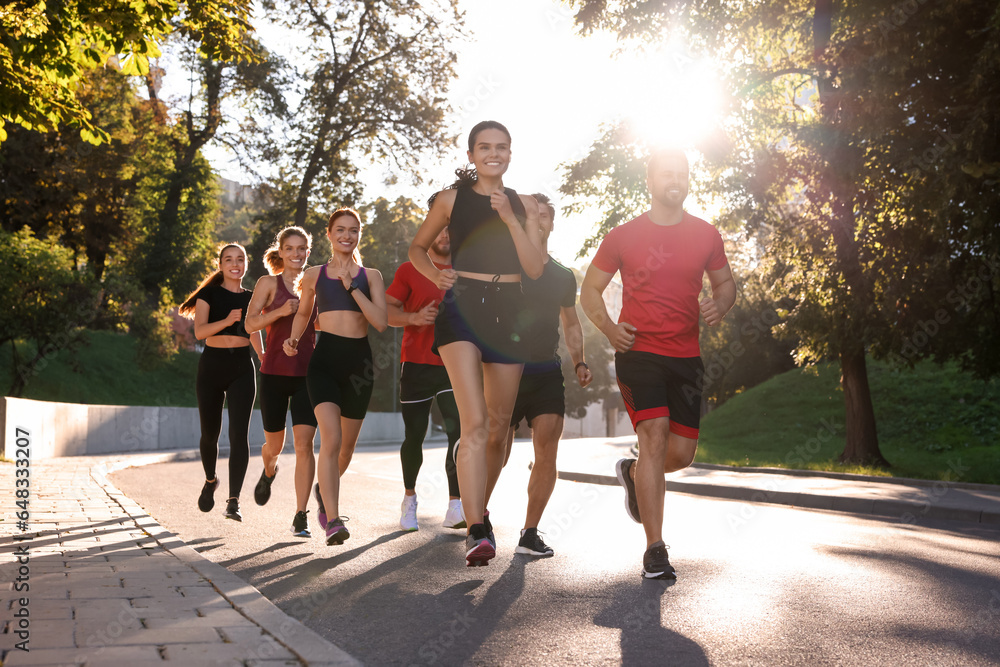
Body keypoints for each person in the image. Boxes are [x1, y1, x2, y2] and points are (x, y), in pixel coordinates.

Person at [580, 148, 736, 579]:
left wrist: (720, 304)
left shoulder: (706, 234)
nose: (677, 180)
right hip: (639, 353)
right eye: (668, 173)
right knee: (654, 435)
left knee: (680, 454)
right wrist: (610, 330)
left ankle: (633, 473)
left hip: (686, 357)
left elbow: (725, 284)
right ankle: (655, 549)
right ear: (650, 181)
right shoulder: (623, 235)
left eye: (683, 174)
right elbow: (590, 291)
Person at [409, 120, 543, 567]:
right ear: (471, 155)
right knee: (475, 422)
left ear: (510, 154)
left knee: (501, 425)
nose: (493, 153)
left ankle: (477, 505)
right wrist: (435, 274)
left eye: (501, 147)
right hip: (462, 307)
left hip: (510, 312)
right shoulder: (451, 200)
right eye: (484, 147)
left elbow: (535, 267)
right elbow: (417, 248)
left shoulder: (522, 203)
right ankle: (477, 530)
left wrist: (510, 218)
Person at [284, 208, 387, 546]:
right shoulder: (314, 275)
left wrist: (352, 288)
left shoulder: (371, 276)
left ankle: (322, 493)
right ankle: (334, 520)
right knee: (330, 439)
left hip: (360, 365)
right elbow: (303, 312)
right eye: (340, 230)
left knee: (345, 450)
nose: (347, 235)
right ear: (328, 234)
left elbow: (381, 323)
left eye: (353, 230)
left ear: (360, 234)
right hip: (324, 362)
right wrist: (295, 338)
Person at [504, 193, 593, 557]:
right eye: (532, 214)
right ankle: (478, 518)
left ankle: (529, 532)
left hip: (545, 370)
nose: (538, 220)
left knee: (547, 452)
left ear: (552, 223)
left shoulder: (561, 275)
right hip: (504, 368)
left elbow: (571, 323)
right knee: (499, 449)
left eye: (545, 215)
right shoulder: (509, 265)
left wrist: (580, 362)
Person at [386, 224, 464, 532]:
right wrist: (414, 318)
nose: (445, 236)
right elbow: (388, 313)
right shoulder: (409, 269)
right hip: (416, 362)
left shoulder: (464, 271)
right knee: (414, 435)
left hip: (453, 363)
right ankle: (409, 500)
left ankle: (456, 505)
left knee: (457, 434)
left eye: (450, 231)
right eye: (439, 231)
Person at [179, 243, 263, 522]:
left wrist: (264, 358)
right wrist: (227, 319)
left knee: (239, 434)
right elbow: (200, 331)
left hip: (242, 366)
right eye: (229, 259)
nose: (235, 264)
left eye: (240, 259)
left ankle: (234, 501)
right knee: (209, 435)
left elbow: (254, 333)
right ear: (221, 265)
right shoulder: (209, 294)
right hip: (212, 367)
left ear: (246, 264)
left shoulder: (253, 298)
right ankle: (211, 479)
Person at [245, 226, 318, 538]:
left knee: (304, 445)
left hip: (307, 375)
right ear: (281, 251)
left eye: (302, 249)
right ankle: (269, 469)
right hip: (273, 373)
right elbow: (249, 323)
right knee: (274, 445)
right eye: (290, 248)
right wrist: (279, 313)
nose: (296, 254)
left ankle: (300, 515)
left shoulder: (316, 283)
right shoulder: (268, 283)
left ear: (307, 251)